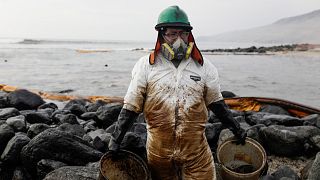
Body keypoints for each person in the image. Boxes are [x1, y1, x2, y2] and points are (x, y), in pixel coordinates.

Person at [109, 5, 246, 180]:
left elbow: (216, 103)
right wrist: (115, 141)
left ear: (189, 35)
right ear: (161, 35)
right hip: (159, 151)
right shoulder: (146, 66)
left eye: (183, 34)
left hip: (196, 151)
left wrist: (237, 129)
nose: (179, 40)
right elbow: (131, 106)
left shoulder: (204, 67)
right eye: (173, 34)